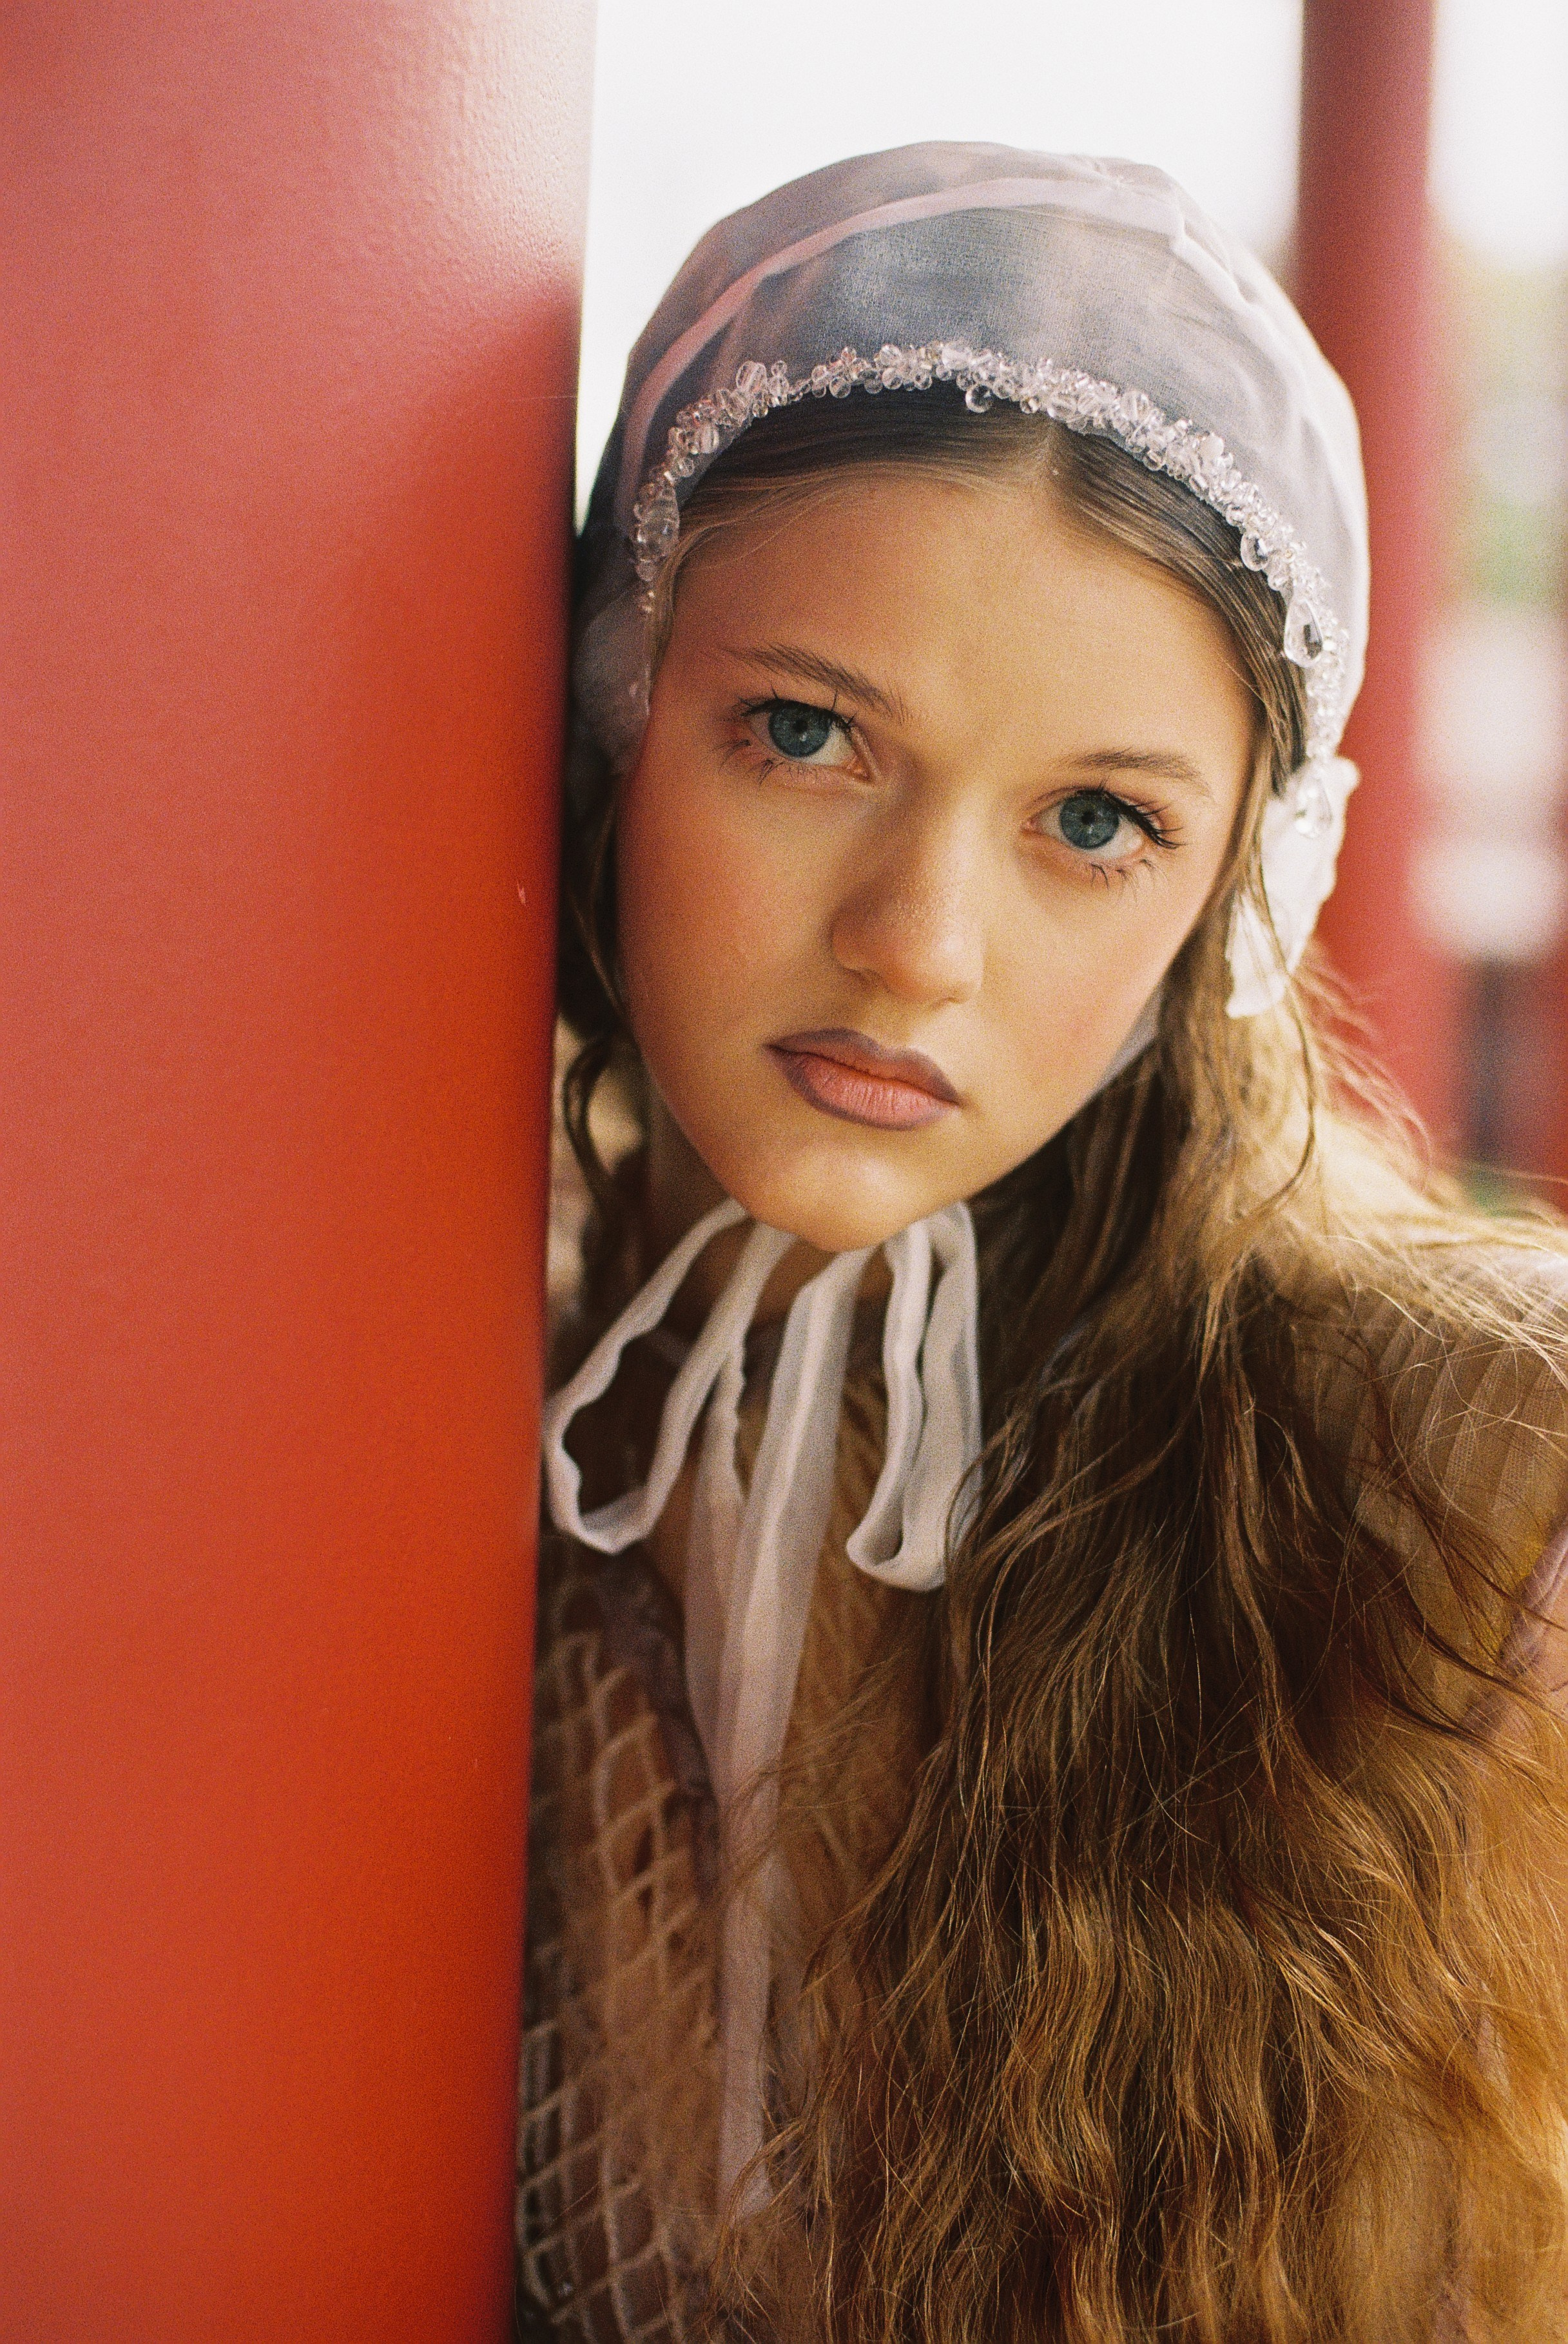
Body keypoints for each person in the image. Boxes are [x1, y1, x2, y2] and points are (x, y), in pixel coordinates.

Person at [515, 147, 1568, 2344]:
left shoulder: (1455, 1478)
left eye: (1096, 822)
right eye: (806, 735)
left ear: (1231, 889)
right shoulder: (462, 1385)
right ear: (619, 704)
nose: (918, 948)